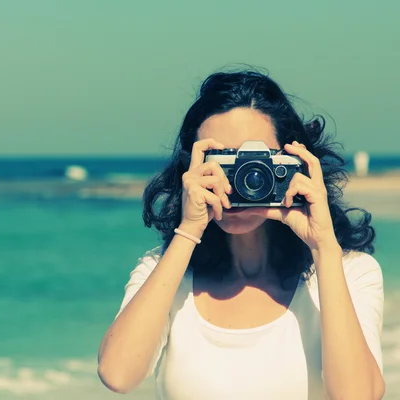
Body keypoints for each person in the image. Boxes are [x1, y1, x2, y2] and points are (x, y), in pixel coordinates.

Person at [97, 69, 385, 399]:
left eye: (256, 161)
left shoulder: (350, 272)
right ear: (191, 167)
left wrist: (324, 248)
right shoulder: (165, 272)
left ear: (295, 163)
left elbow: (358, 396)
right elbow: (117, 374)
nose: (242, 179)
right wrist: (188, 231)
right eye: (222, 160)